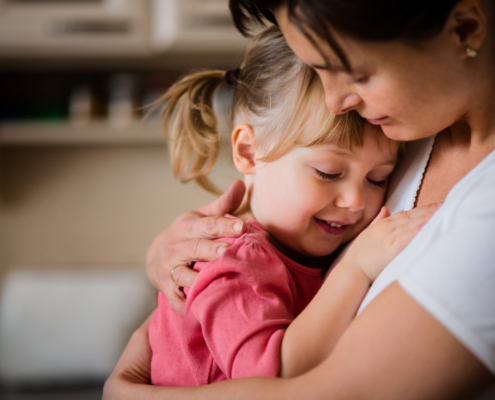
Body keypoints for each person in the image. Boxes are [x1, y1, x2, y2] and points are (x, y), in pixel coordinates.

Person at [103, 0, 495, 398]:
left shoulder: (408, 129)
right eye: (327, 173)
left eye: (358, 73)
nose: (336, 102)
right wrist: (164, 253)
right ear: (249, 153)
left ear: (463, 29)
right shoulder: (407, 120)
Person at [148, 26, 432, 386]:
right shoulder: (236, 260)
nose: (356, 201)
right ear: (249, 152)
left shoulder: (298, 248)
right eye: (328, 172)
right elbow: (271, 377)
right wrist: (356, 269)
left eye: (377, 178)